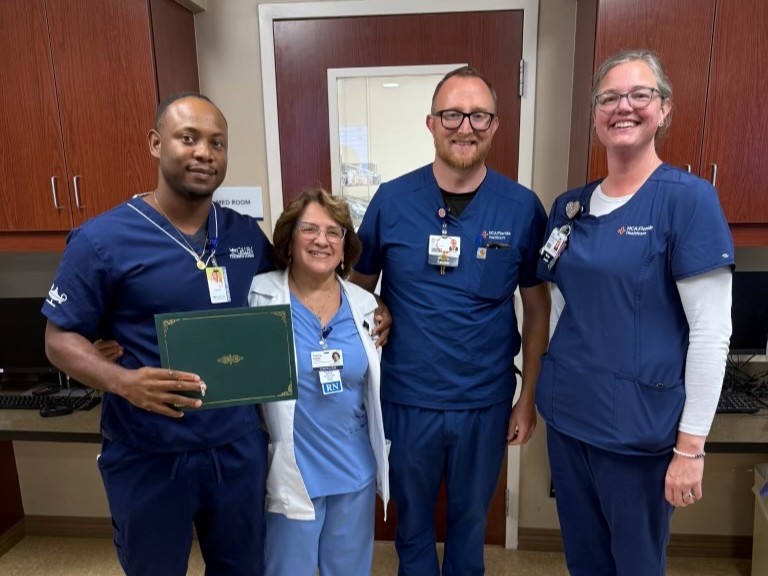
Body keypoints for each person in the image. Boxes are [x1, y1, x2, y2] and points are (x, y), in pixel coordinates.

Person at [42, 93, 274, 576]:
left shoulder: (245, 235)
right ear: (155, 143)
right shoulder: (102, 240)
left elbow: (291, 293)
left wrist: (372, 307)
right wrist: (122, 381)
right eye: (188, 138)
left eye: (217, 143)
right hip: (148, 450)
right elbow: (59, 339)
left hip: (235, 447)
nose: (204, 153)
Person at [536, 49, 733, 576]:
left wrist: (690, 448)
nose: (624, 106)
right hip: (569, 419)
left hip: (638, 432)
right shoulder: (569, 208)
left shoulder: (688, 201)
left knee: (637, 565)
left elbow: (712, 332)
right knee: (585, 562)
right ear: (595, 114)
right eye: (609, 98)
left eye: (640, 94)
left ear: (663, 109)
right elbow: (562, 308)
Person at [350, 66, 550, 576]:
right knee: (411, 525)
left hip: (484, 400)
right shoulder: (392, 201)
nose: (465, 127)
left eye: (479, 115)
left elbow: (537, 306)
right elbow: (355, 290)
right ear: (431, 123)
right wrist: (378, 307)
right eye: (452, 115)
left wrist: (527, 398)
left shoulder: (522, 208)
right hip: (407, 398)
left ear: (495, 125)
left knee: (469, 525)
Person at [249, 188, 389, 576]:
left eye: (334, 232)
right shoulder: (258, 296)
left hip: (353, 472)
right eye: (309, 229)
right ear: (289, 241)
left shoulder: (365, 305)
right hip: (292, 472)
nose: (321, 240)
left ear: (345, 247)